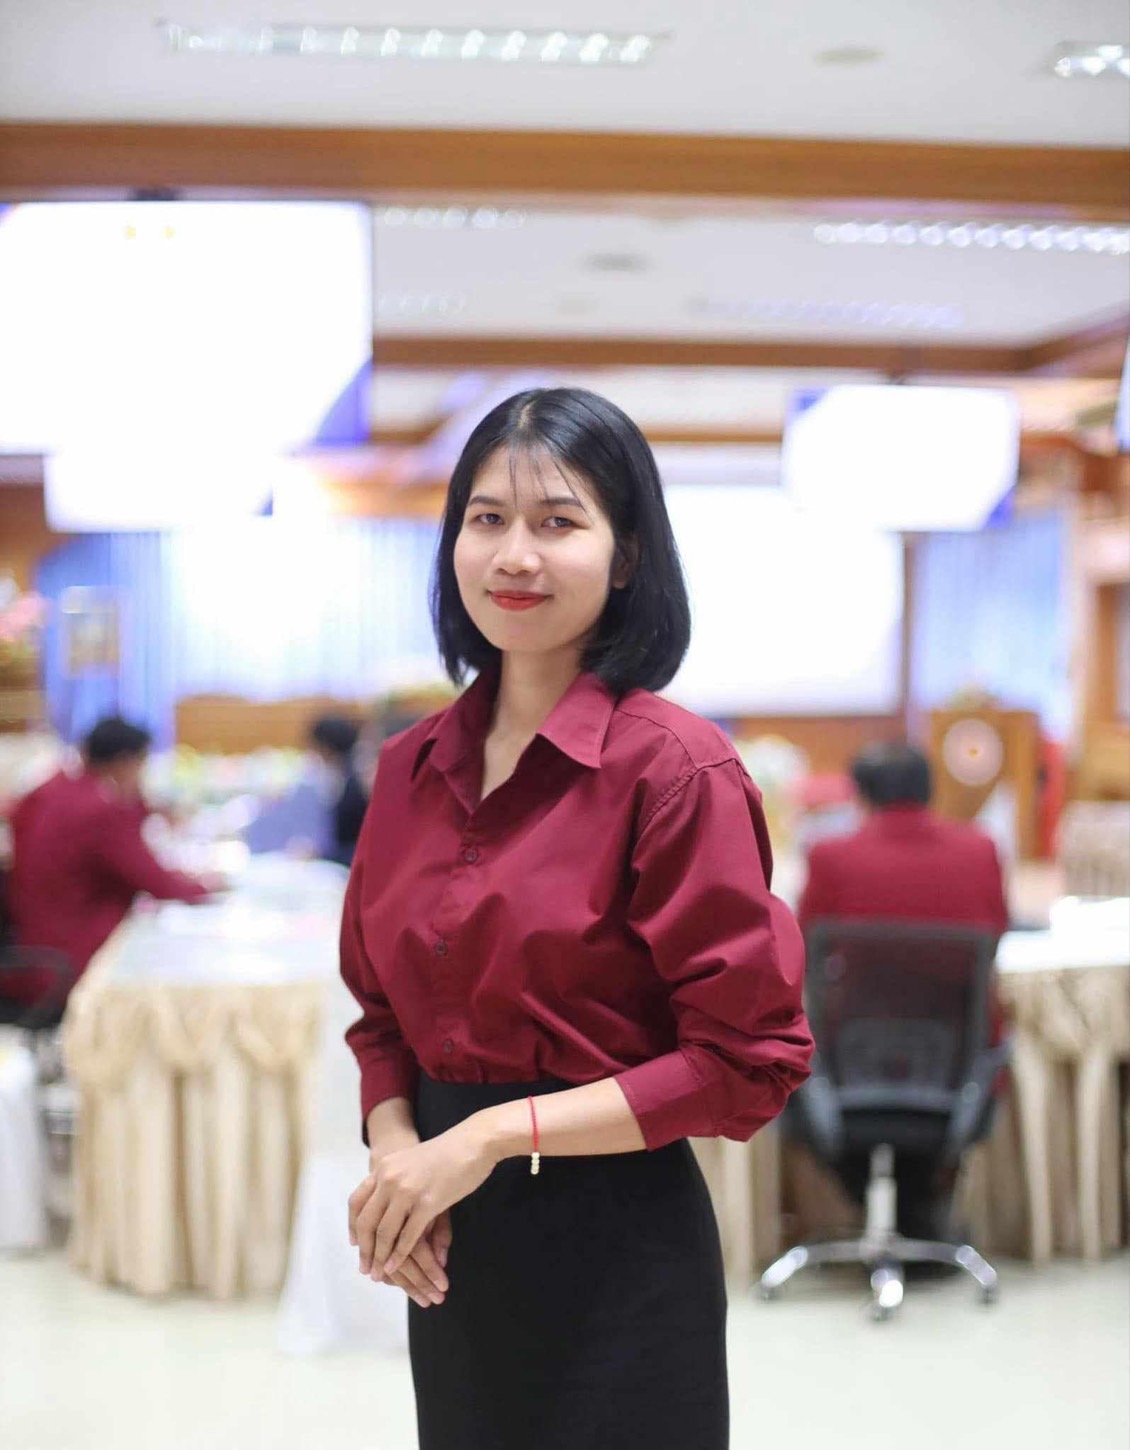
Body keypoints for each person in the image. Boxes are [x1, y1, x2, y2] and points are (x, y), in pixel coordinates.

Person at [341, 387, 813, 1450]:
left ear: (626, 554)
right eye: (487, 518)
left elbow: (746, 1061)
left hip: (619, 1254)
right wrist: (399, 1163)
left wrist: (487, 1137)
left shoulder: (676, 770)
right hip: (452, 1248)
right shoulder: (408, 767)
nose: (515, 554)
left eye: (558, 521)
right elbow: (381, 1021)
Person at [795, 742, 1009, 1238]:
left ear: (861, 795)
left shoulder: (831, 856)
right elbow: (996, 934)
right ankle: (921, 1216)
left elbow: (803, 948)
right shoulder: (979, 850)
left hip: (849, 1063)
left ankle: (888, 1214)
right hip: (955, 1065)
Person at [3, 716, 216, 1009]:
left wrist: (135, 798)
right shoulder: (99, 810)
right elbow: (158, 884)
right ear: (126, 763)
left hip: (34, 946)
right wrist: (210, 886)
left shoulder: (49, 790)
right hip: (77, 958)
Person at [307, 714, 367, 867]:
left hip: (350, 862)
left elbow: (359, 844)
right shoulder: (340, 773)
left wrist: (322, 855)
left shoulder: (356, 783)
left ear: (325, 747)